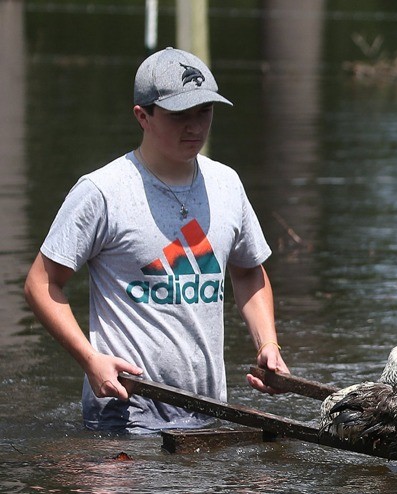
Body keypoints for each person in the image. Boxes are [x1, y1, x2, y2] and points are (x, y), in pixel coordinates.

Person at [24, 47, 288, 433]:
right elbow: (41, 283)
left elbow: (249, 272)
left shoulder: (227, 185)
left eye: (204, 111)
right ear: (142, 116)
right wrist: (89, 358)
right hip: (124, 409)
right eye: (180, 114)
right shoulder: (102, 191)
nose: (195, 127)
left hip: (208, 409)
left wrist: (269, 345)